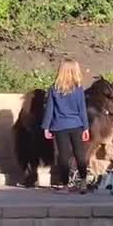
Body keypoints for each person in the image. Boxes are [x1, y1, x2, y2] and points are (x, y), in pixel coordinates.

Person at [41, 59, 90, 192]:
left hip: (59, 126)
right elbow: (82, 109)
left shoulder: (54, 89)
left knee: (64, 156)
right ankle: (83, 182)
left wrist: (46, 127)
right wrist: (86, 128)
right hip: (76, 125)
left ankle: (65, 185)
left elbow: (49, 109)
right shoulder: (79, 89)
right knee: (80, 154)